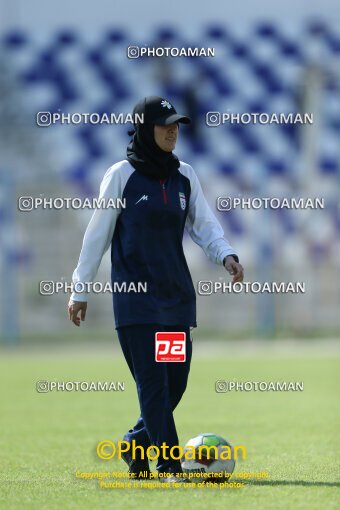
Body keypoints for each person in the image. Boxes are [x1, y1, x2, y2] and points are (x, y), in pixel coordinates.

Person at [68, 96, 244, 483]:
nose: (173, 130)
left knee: (174, 384)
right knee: (152, 383)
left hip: (174, 300)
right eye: (165, 124)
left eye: (177, 124)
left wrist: (225, 255)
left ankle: (134, 442)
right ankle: (168, 465)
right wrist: (80, 289)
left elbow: (204, 224)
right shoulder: (121, 175)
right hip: (136, 301)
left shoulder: (185, 175)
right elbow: (96, 236)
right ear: (144, 128)